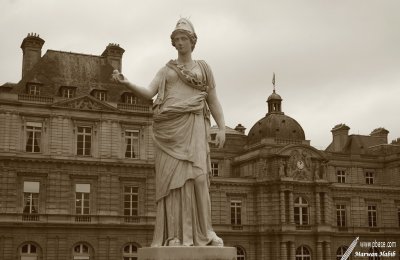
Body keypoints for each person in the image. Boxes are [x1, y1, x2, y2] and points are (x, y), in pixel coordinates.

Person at [112, 18, 225, 247]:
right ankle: (174, 235)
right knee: (174, 184)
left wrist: (222, 127)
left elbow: (213, 100)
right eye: (176, 39)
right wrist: (127, 83)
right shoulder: (166, 70)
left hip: (194, 123)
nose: (180, 42)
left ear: (193, 42)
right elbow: (149, 92)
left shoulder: (204, 68)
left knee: (200, 179)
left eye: (184, 38)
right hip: (169, 130)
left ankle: (207, 233)